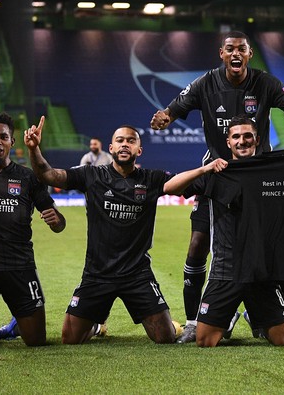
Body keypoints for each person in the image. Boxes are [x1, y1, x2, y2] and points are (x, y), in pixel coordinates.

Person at [150, 30, 284, 343]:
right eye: (230, 49)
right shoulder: (205, 83)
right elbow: (172, 111)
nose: (235, 54)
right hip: (219, 174)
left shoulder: (266, 82)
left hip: (262, 177)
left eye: (241, 48)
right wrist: (164, 118)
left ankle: (283, 321)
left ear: (249, 54)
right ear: (222, 54)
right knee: (198, 243)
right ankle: (192, 321)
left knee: (277, 247)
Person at [23, 116, 207, 344]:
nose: (125, 145)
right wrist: (34, 149)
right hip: (97, 273)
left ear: (139, 150)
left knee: (165, 337)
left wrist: (212, 169)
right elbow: (49, 175)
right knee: (69, 338)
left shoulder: (151, 179)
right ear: (111, 148)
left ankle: (172, 325)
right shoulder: (91, 175)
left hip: (137, 274)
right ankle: (97, 325)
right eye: (120, 140)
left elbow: (184, 184)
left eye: (131, 141)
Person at [163, 116, 284, 346]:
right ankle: (229, 314)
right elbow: (170, 187)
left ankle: (253, 314)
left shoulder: (273, 172)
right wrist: (205, 169)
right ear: (228, 142)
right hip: (226, 270)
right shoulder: (216, 173)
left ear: (257, 140)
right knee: (204, 341)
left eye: (247, 136)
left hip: (261, 270)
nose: (242, 141)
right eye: (236, 137)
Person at [0, 111, 66, 348]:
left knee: (37, 342)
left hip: (20, 265)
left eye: (3, 137)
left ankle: (15, 325)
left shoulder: (28, 178)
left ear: (11, 141)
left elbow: (59, 223)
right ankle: (14, 321)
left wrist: (55, 219)